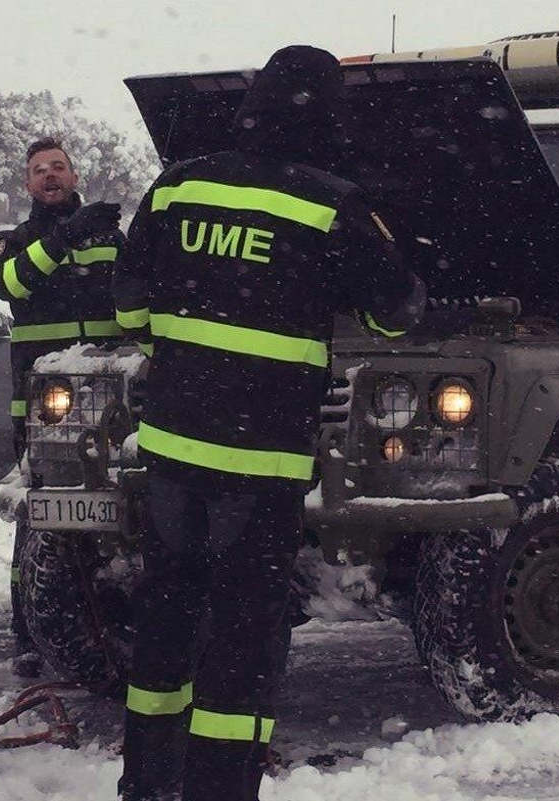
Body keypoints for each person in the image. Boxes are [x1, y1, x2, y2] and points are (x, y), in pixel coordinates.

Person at [112, 45, 426, 801]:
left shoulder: (178, 185)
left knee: (165, 626)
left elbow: (129, 309)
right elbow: (394, 317)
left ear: (252, 105)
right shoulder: (329, 203)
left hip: (170, 460)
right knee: (243, 645)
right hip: (259, 467)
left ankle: (148, 786)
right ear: (327, 114)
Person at [0, 136, 127, 677]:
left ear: (73, 174)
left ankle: (112, 614)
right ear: (27, 184)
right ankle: (27, 630)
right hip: (44, 406)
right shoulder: (13, 241)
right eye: (39, 170)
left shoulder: (111, 237)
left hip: (115, 403)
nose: (50, 176)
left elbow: (140, 298)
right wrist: (64, 237)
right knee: (39, 515)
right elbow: (9, 283)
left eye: (58, 168)